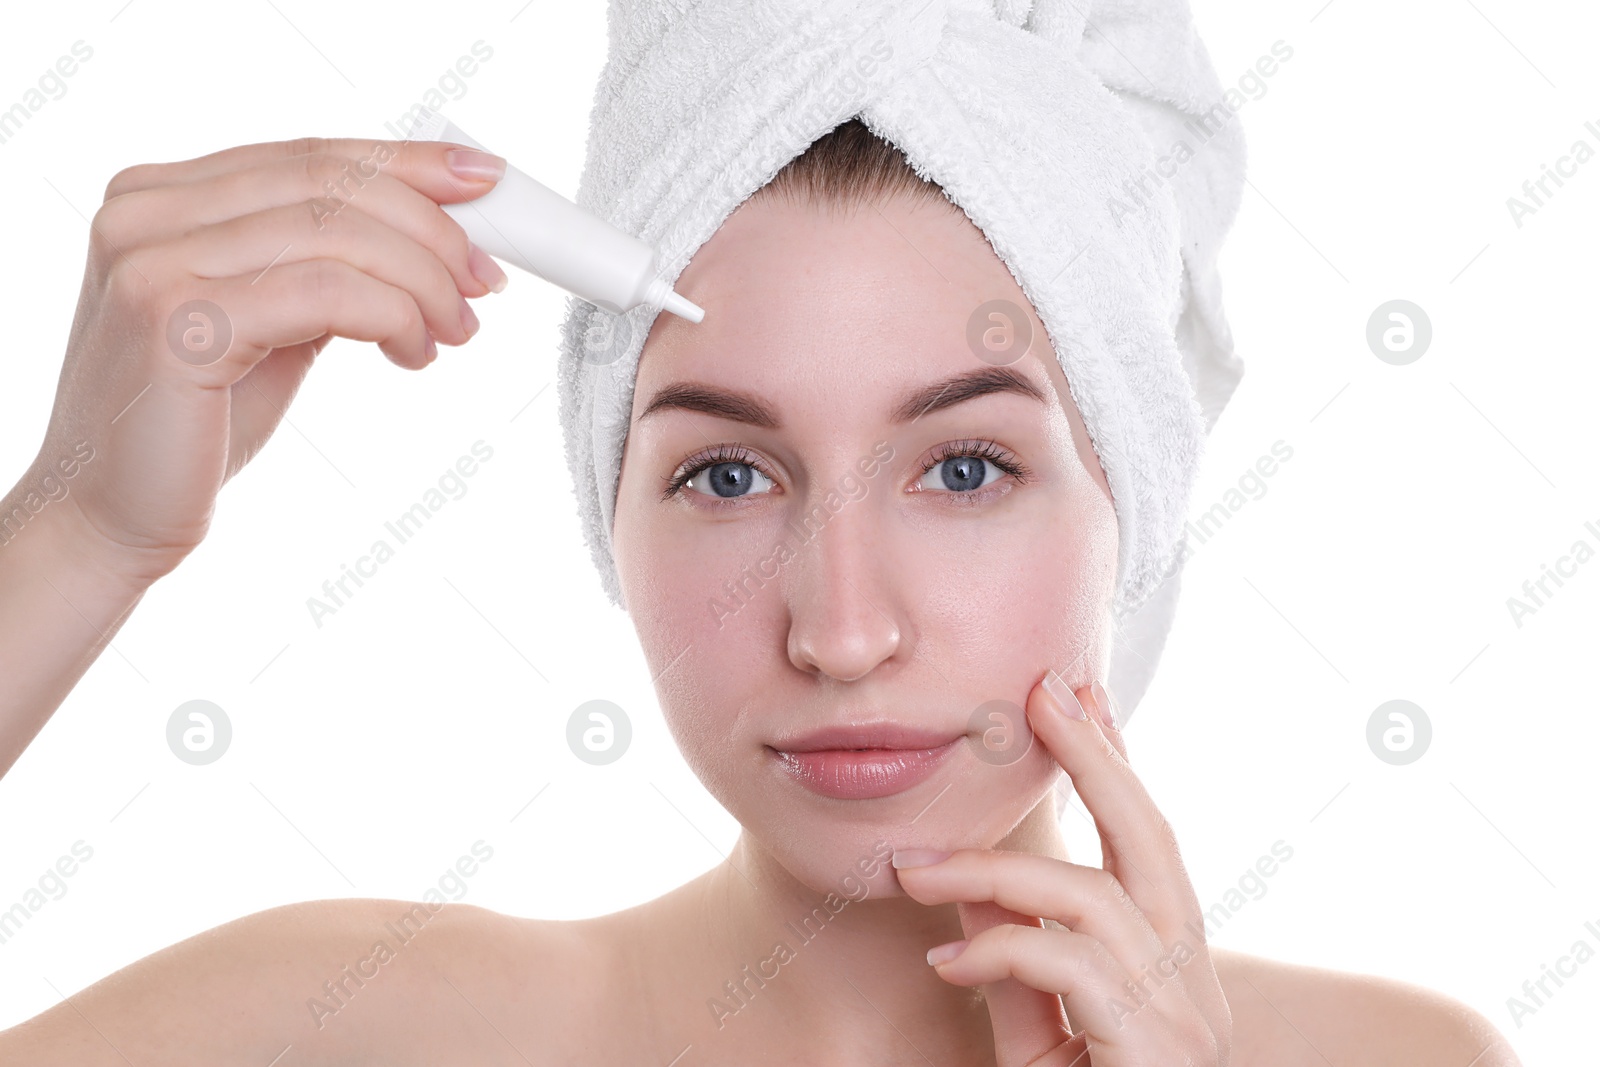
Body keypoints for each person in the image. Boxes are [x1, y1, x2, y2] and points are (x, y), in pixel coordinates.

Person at [0, 121, 1520, 1064]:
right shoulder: (339, 1026)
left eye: (966, 467)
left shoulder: (1400, 1061)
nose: (842, 629)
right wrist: (77, 534)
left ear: (1139, 496)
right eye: (728, 476)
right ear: (612, 521)